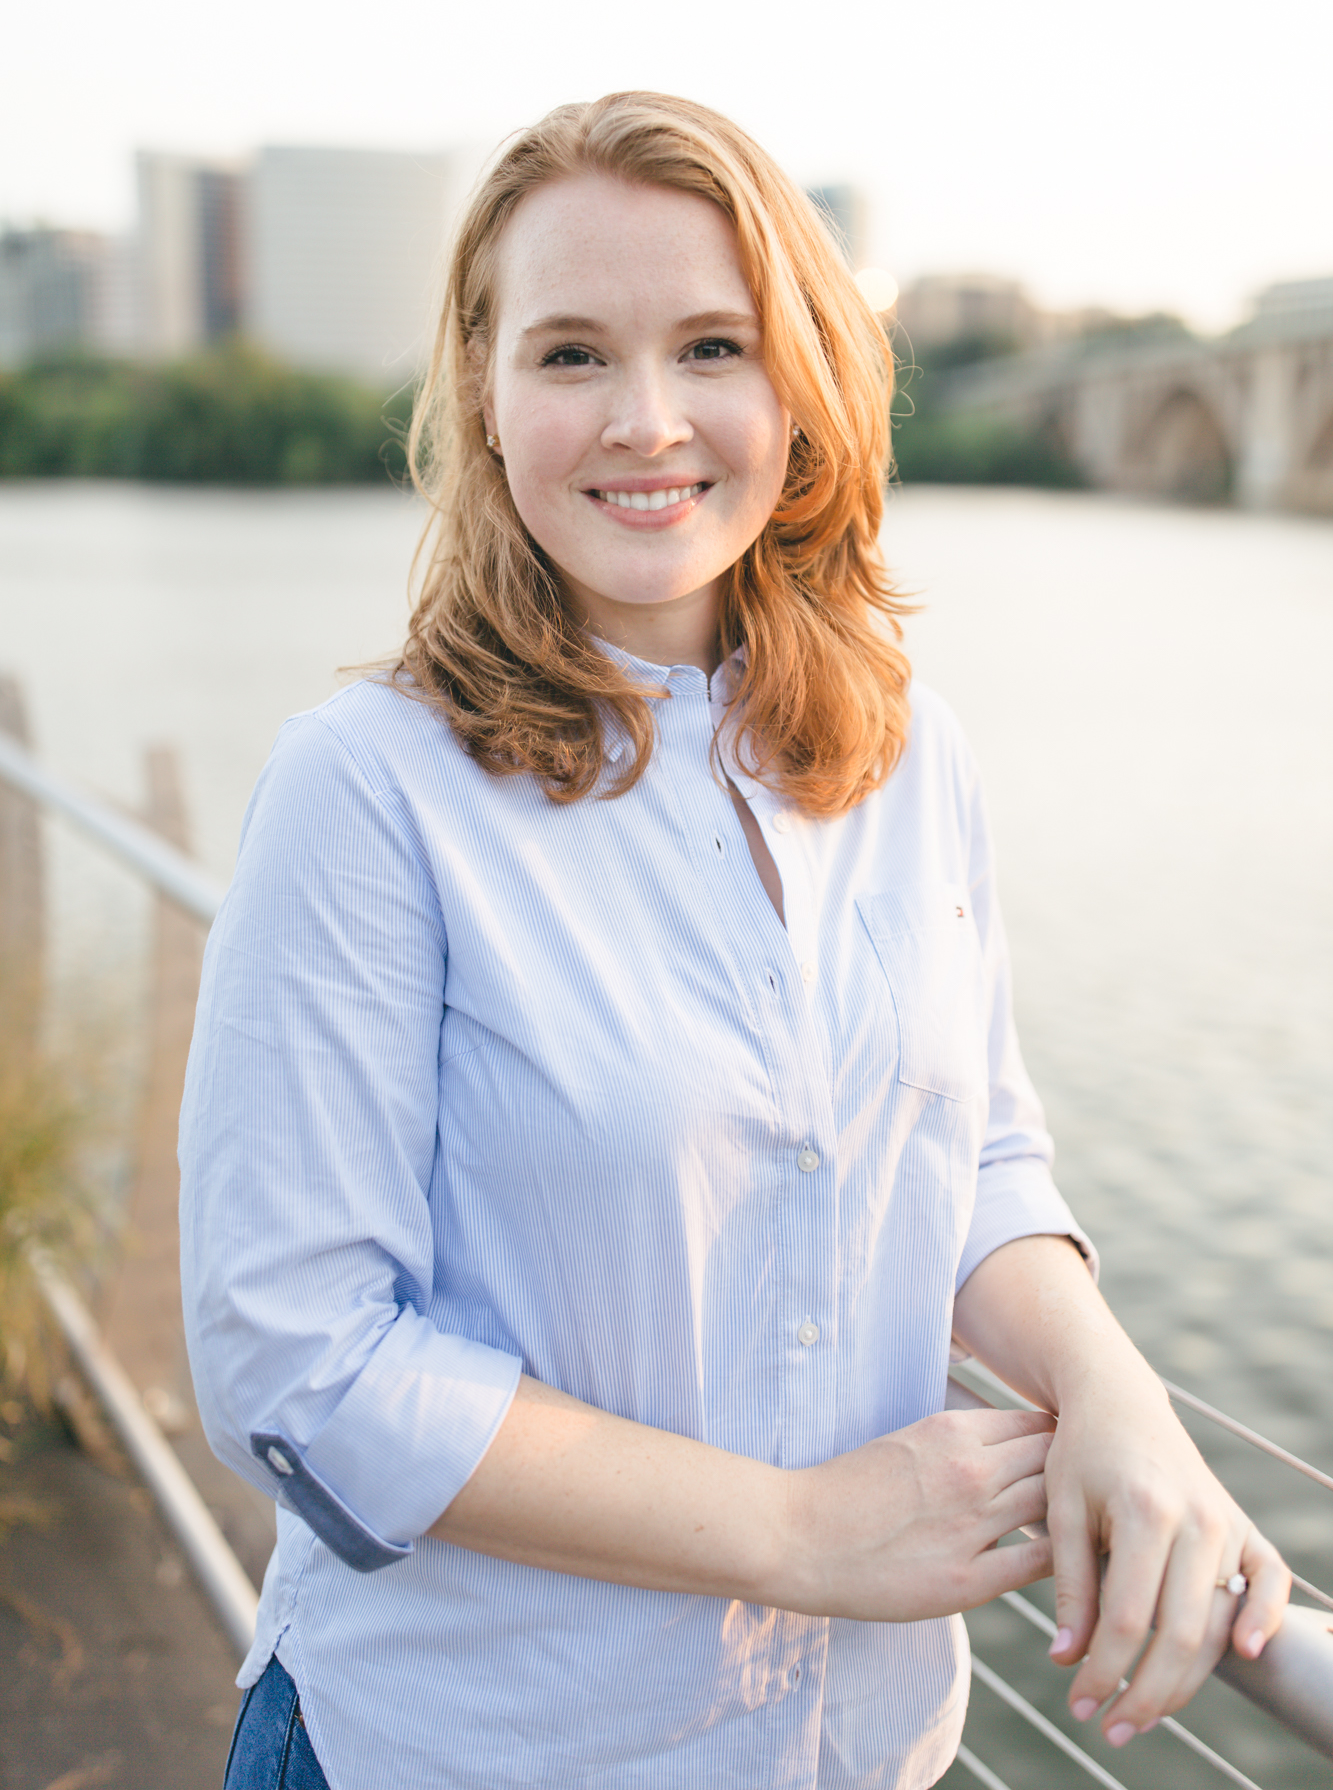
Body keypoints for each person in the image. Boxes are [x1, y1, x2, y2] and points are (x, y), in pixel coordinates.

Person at [180, 92, 1288, 1790]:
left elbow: (974, 1151)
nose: (646, 421)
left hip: (856, 1746)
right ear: (483, 391)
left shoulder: (909, 756)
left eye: (712, 344)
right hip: (478, 1747)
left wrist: (1115, 1398)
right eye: (569, 355)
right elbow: (295, 1353)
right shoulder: (367, 792)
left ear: (802, 385)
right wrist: (792, 1533)